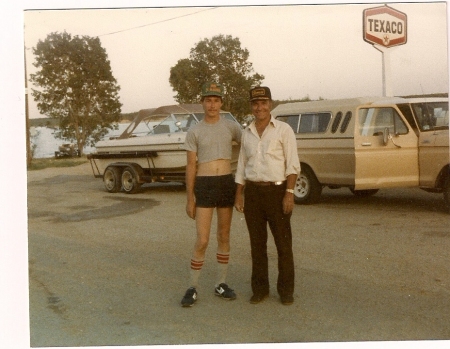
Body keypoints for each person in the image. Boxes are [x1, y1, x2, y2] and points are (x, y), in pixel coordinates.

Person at [234, 86, 300, 305]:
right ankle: (260, 289)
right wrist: (239, 194)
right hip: (253, 193)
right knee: (257, 245)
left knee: (283, 244)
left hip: (277, 191)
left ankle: (286, 291)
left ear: (270, 104)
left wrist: (289, 193)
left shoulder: (283, 130)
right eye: (255, 103)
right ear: (251, 106)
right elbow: (242, 164)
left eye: (263, 103)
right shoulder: (247, 132)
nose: (259, 107)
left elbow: (292, 165)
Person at [181, 82, 242, 307]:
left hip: (226, 182)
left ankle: (221, 283)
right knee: (203, 239)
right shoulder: (194, 131)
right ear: (202, 103)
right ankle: (193, 287)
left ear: (221, 103)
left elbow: (249, 148)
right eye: (208, 100)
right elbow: (190, 166)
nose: (212, 105)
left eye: (216, 100)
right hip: (204, 185)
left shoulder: (232, 126)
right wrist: (190, 198)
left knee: (224, 236)